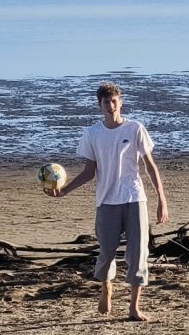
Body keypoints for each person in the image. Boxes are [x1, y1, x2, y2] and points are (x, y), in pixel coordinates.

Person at [52, 82, 171, 322]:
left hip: (134, 198)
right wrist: (64, 190)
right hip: (106, 201)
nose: (111, 105)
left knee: (138, 253)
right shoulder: (92, 134)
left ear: (120, 102)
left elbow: (150, 166)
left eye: (114, 100)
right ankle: (106, 287)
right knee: (106, 253)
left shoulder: (135, 128)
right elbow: (89, 172)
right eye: (106, 102)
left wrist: (162, 199)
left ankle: (134, 307)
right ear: (100, 105)